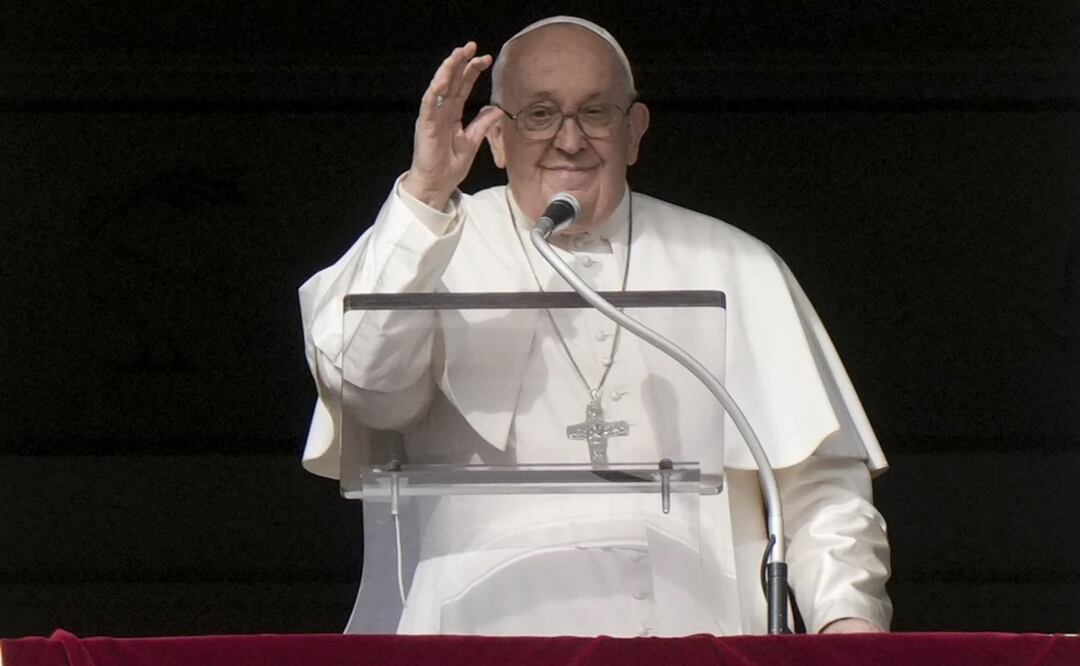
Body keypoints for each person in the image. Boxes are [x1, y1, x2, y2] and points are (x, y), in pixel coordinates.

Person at [299, 16, 892, 636]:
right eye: (539, 114)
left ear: (634, 132)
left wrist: (847, 625)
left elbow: (818, 486)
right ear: (496, 137)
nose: (570, 140)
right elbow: (368, 391)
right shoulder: (424, 247)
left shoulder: (733, 262)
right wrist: (425, 193)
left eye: (595, 113)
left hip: (699, 632)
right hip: (478, 632)